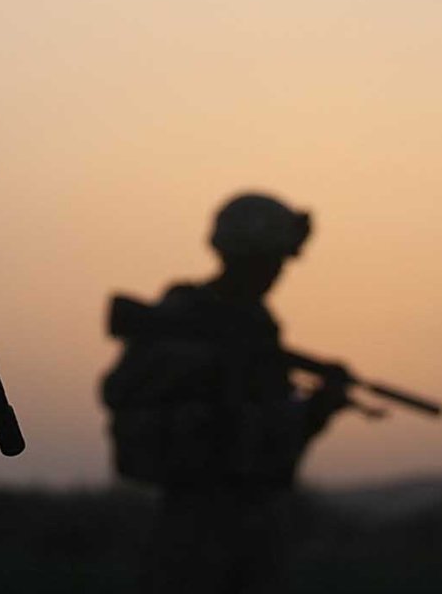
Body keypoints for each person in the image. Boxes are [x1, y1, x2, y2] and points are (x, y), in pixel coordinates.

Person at [100, 193, 353, 594]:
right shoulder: (185, 321)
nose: (278, 270)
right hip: (200, 531)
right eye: (273, 257)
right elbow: (244, 439)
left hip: (241, 528)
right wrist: (309, 413)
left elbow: (266, 449)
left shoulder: (253, 326)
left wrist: (311, 414)